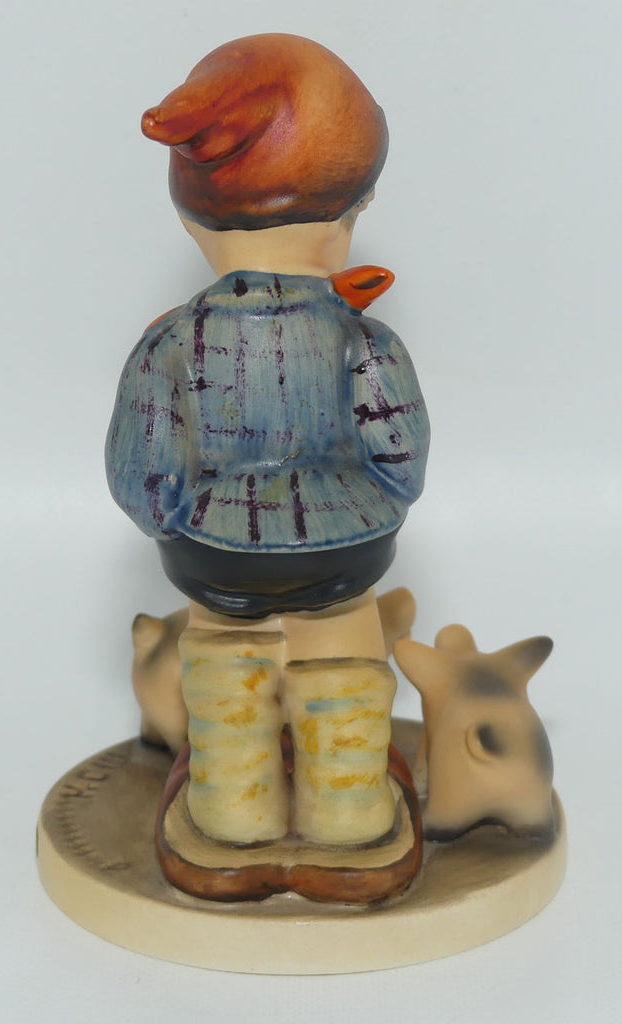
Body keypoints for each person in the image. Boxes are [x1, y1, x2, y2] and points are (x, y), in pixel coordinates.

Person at [106, 34, 429, 852]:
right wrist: (377, 501)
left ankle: (230, 809)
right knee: (342, 649)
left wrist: (175, 520)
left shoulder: (169, 345)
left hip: (215, 553)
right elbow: (401, 454)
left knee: (224, 657)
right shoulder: (364, 339)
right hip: (346, 546)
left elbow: (142, 475)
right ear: (344, 221)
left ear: (189, 218)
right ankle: (349, 811)